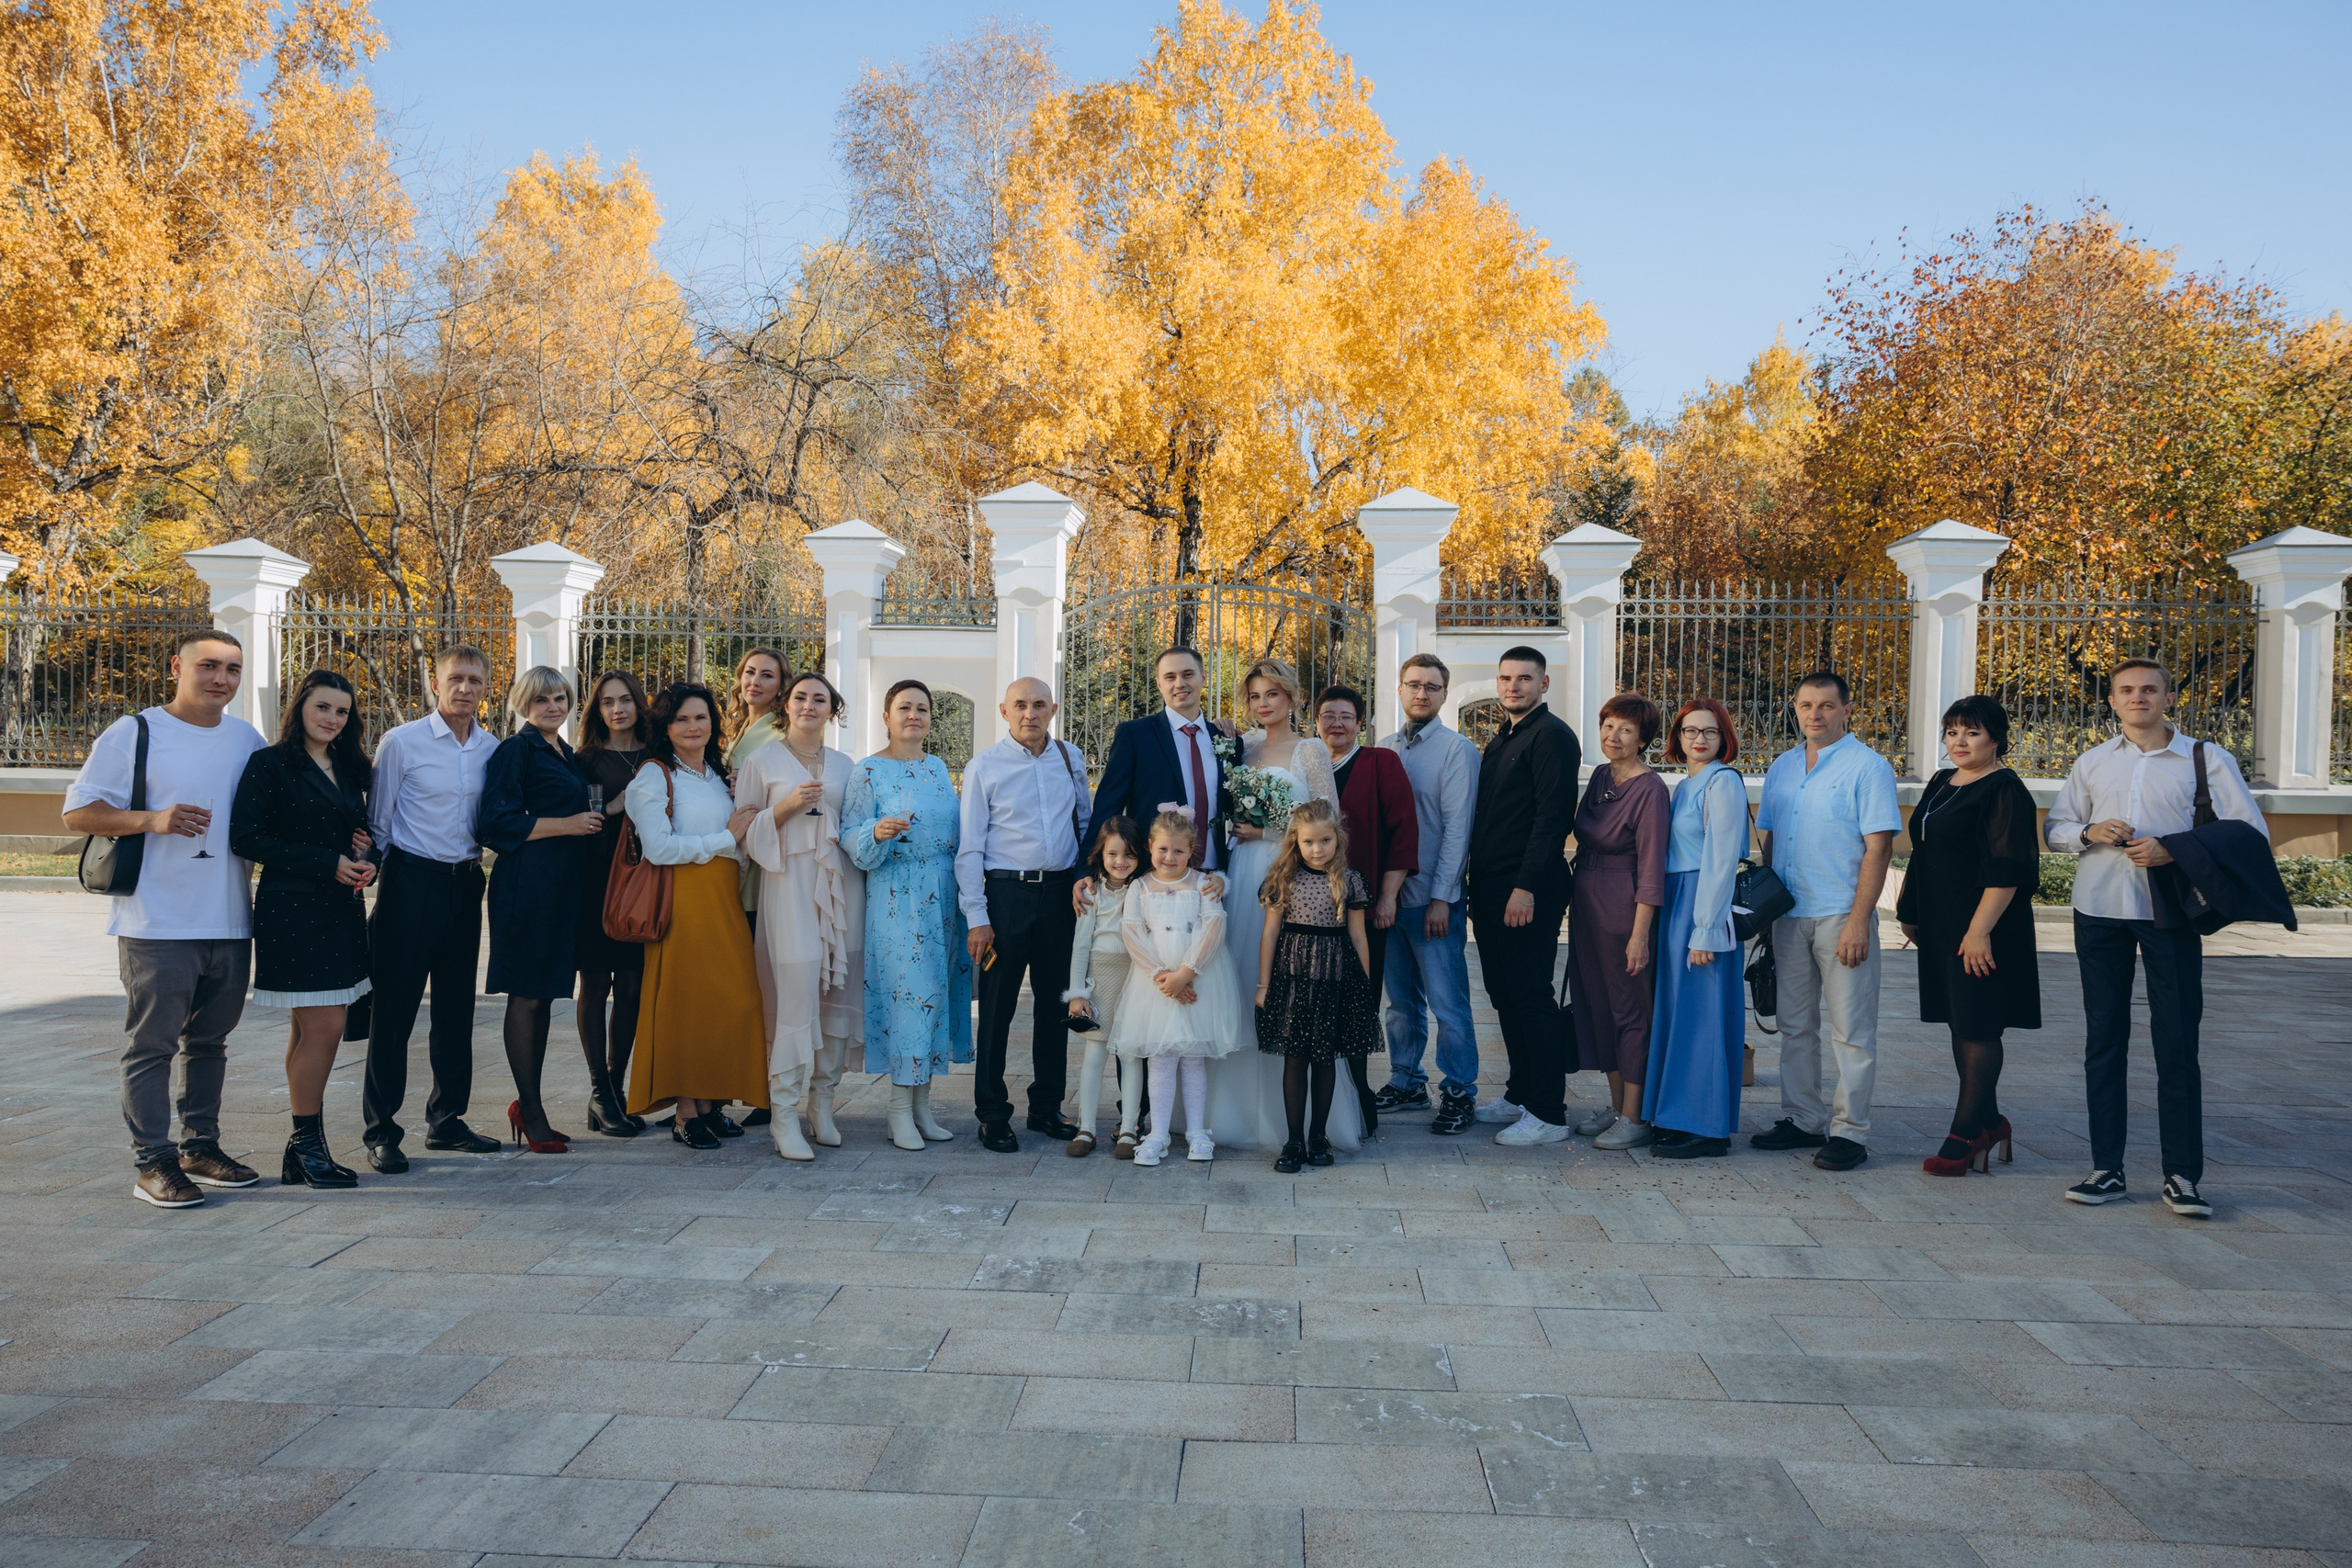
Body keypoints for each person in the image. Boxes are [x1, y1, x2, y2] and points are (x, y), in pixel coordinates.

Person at [2045, 660, 2264, 1218]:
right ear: (2112, 701)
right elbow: (2056, 829)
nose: (2138, 698)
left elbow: (2247, 832)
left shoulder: (2208, 759)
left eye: (2149, 689)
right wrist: (2088, 832)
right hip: (2098, 909)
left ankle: (2182, 1176)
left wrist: (2176, 849)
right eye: (2126, 691)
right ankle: (2106, 1169)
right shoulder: (2092, 761)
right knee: (2104, 1039)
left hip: (2168, 911)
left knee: (2176, 1041)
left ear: (2169, 696)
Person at [66, 630, 270, 1207]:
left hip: (230, 920)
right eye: (208, 666)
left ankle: (199, 1148)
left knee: (210, 1043)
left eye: (232, 669)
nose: (220, 679)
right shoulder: (136, 731)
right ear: (177, 666)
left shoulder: (247, 739)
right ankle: (152, 1164)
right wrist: (152, 820)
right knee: (152, 1046)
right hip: (157, 921)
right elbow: (77, 812)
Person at [1206, 658, 1363, 1152]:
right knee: (1239, 982)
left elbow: (1329, 820)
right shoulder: (1242, 747)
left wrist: (1272, 831)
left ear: (1291, 698)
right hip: (1242, 873)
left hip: (1289, 874)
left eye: (1272, 694)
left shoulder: (1311, 750)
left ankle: (1297, 1126)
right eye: (1254, 696)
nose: (1263, 704)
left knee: (1293, 994)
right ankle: (1231, 1113)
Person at [229, 669, 377, 1189]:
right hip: (292, 910)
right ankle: (309, 1146)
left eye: (341, 711)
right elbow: (247, 837)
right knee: (325, 1028)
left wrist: (365, 858)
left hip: (340, 910)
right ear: (301, 708)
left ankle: (301, 1151)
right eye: (322, 708)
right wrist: (327, 862)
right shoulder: (269, 764)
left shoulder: (351, 764)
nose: (332, 719)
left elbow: (364, 834)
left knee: (308, 1028)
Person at [1749, 670, 1901, 1173]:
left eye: (1827, 706)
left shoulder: (1868, 767)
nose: (1815, 714)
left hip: (1841, 914)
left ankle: (1850, 1131)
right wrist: (1766, 914)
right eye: (1806, 705)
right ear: (1795, 710)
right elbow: (1770, 842)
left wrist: (1861, 921)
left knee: (1852, 1031)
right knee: (1795, 1027)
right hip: (1790, 916)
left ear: (1847, 710)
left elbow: (1879, 848)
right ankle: (1802, 1118)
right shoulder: (1784, 767)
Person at [360, 644, 503, 1172]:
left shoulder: (492, 749)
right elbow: (379, 822)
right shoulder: (402, 742)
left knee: (454, 1011)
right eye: (455, 678)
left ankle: (446, 1121)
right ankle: (381, 1130)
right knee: (393, 1011)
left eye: (475, 679)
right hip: (410, 883)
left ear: (487, 687)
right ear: (435, 685)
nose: (465, 688)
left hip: (466, 884)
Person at [1897, 694, 2041, 1179]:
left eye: (1972, 732)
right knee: (1960, 1021)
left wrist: (1979, 931)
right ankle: (1990, 1120)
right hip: (1942, 925)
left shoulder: (2005, 790)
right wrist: (1909, 911)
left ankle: (1965, 1134)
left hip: (1984, 927)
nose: (1959, 741)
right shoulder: (1942, 782)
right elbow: (1922, 849)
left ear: (1997, 738)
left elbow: (2008, 869)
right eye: (1952, 731)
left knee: (1979, 1024)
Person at [624, 682, 769, 1148]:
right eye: (682, 719)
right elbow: (659, 849)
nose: (693, 726)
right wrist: (726, 840)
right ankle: (687, 1112)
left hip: (723, 898)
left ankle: (711, 1101)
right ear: (666, 727)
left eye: (701, 718)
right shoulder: (653, 775)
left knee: (731, 1001)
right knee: (685, 1005)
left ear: (713, 724)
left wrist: (736, 843)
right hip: (682, 900)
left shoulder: (713, 774)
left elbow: (738, 840)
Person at [957, 676, 1090, 1151]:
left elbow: (1085, 825)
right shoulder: (984, 768)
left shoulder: (1071, 759)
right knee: (997, 1009)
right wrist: (977, 916)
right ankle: (992, 1112)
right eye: (1020, 705)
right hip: (1005, 898)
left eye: (1038, 705)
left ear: (1053, 708)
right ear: (1003, 710)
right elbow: (970, 848)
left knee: (1057, 1006)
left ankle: (1046, 1107)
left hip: (1060, 899)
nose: (1029, 713)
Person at [737, 671, 865, 1160]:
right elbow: (743, 832)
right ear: (785, 706)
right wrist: (787, 806)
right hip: (787, 885)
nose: (809, 705)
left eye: (820, 698)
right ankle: (783, 1114)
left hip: (839, 888)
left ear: (832, 709)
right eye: (800, 697)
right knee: (795, 988)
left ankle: (823, 1104)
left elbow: (854, 826)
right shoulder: (761, 760)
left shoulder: (847, 765)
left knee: (836, 989)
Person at [476, 667, 604, 1154]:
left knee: (546, 995)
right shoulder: (516, 750)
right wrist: (568, 825)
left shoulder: (565, 754)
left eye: (559, 698)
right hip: (526, 888)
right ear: (522, 703)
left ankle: (530, 1105)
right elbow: (496, 821)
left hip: (562, 890)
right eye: (541, 699)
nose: (552, 706)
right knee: (527, 996)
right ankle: (530, 1110)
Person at [843, 680, 971, 1152]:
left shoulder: (937, 768)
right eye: (904, 708)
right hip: (897, 897)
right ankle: (897, 1109)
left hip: (943, 897)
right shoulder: (869, 771)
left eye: (922, 708)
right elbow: (847, 833)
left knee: (935, 995)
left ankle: (922, 1107)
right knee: (908, 998)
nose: (913, 715)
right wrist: (875, 831)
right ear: (886, 715)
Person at [1465, 646, 1582, 1146]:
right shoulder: (1502, 739)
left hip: (1526, 888)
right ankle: (1519, 1092)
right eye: (1507, 678)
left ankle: (1548, 1112)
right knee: (1503, 993)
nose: (1514, 686)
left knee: (1532, 996)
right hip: (1490, 886)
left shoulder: (1553, 738)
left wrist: (1525, 888)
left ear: (1544, 684)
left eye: (1525, 678)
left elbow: (1551, 820)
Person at [1375, 654, 1482, 1134]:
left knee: (1448, 1003)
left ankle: (1459, 1091)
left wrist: (1443, 896)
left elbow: (1458, 830)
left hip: (1431, 901)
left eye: (1432, 687)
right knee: (1399, 1002)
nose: (1422, 693)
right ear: (1399, 690)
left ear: (1444, 694)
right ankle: (1407, 1080)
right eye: (1413, 685)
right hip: (1388, 900)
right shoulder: (1383, 749)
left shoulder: (1458, 751)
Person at [1643, 698, 1748, 1160]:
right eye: (1689, 731)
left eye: (1709, 731)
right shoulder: (1685, 786)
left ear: (1724, 737)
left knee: (1703, 1015)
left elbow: (1722, 860)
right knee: (1680, 1012)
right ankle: (1674, 1114)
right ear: (1677, 738)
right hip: (1676, 902)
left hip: (1701, 903)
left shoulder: (1722, 783)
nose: (1699, 739)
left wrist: (1705, 929)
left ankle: (1706, 1127)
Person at [1567, 694, 1671, 1150]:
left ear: (1644, 738)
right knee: (1597, 1005)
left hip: (1624, 908)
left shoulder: (1650, 790)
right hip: (1587, 905)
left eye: (1626, 729)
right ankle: (1616, 1107)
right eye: (1608, 725)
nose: (1614, 736)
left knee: (1630, 1010)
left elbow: (1651, 869)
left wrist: (1639, 937)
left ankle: (1637, 1116)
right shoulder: (1601, 777)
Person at [1252, 800, 1379, 1174]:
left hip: (1335, 981)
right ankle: (1293, 1140)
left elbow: (1358, 938)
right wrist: (1263, 984)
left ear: (1338, 838)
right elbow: (1270, 933)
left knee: (1325, 1059)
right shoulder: (1282, 878)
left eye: (1325, 840)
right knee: (1296, 1059)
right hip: (1292, 981)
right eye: (1309, 842)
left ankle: (1319, 1136)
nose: (1317, 849)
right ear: (1296, 841)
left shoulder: (1350, 880)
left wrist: (1364, 989)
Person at [1115, 809, 1245, 1166]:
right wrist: (1163, 977)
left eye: (1178, 851)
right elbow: (1132, 932)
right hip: (1153, 985)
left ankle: (1197, 1132)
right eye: (1162, 850)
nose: (1169, 858)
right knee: (1161, 1058)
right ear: (1150, 848)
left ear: (1192, 852)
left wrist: (1186, 974)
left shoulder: (1203, 884)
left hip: (1199, 978)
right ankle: (1157, 1133)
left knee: (1192, 1059)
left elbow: (1214, 927)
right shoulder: (1139, 887)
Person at [1316, 682, 1417, 1131]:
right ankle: (1322, 1102)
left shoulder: (1381, 762)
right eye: (1328, 715)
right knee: (1316, 1006)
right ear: (1315, 721)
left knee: (1359, 1003)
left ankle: (1359, 1102)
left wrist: (1388, 896)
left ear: (1361, 723)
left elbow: (1403, 832)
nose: (1336, 724)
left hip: (1365, 906)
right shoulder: (1307, 763)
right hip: (1311, 912)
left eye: (1345, 716)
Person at [573, 671, 651, 1135]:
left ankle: (616, 1091)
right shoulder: (584, 760)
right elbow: (580, 821)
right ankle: (600, 1090)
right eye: (607, 702)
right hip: (597, 883)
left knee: (633, 989)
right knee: (596, 985)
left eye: (625, 700)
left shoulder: (657, 757)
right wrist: (614, 807)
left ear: (639, 705)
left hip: (645, 884)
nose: (617, 709)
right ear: (597, 710)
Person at [1092, 646, 1235, 873]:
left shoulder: (1225, 739)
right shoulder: (1135, 735)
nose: (1180, 683)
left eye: (1188, 674)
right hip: (1153, 875)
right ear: (1160, 684)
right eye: (1170, 677)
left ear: (1203, 677)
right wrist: (1087, 870)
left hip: (1213, 876)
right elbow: (1107, 808)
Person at [1065, 817, 1145, 1157]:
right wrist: (1077, 992)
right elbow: (1080, 945)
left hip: (1134, 978)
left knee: (1130, 1054)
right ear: (1100, 854)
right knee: (1095, 1054)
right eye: (1113, 854)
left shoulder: (1143, 890)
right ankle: (1086, 1128)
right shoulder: (1091, 891)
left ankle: (1129, 1128)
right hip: (1099, 977)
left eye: (1129, 854)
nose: (1120, 862)